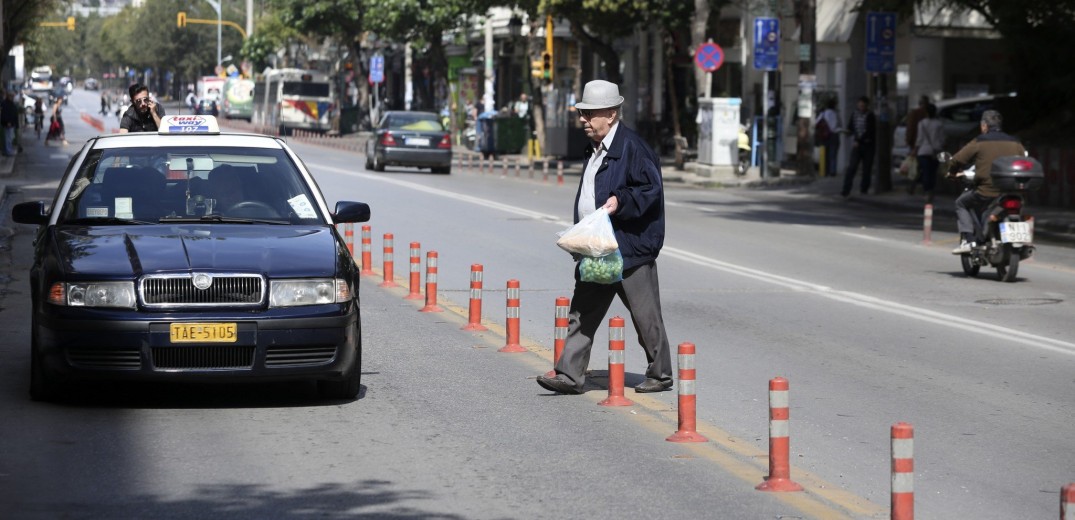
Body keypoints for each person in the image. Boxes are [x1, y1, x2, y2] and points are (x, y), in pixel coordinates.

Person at [535, 80, 674, 395]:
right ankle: (569, 375)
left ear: (610, 114)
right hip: (598, 249)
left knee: (645, 316)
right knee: (582, 313)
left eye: (590, 113)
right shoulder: (595, 148)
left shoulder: (633, 148)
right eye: (582, 113)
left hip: (629, 250)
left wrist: (620, 201)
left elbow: (649, 192)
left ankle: (661, 373)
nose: (583, 120)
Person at [946, 109, 1025, 254]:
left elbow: (957, 159)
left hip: (986, 191)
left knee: (961, 203)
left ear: (984, 126)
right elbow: (1024, 159)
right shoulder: (1015, 142)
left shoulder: (979, 141)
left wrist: (951, 173)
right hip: (1011, 191)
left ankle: (969, 241)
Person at [842, 96, 876, 197]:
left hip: (867, 145)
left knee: (867, 168)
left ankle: (864, 189)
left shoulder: (870, 115)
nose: (861, 107)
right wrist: (847, 132)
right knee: (852, 167)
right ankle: (846, 189)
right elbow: (851, 127)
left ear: (866, 106)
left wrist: (858, 140)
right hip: (857, 145)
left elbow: (870, 131)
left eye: (863, 106)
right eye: (860, 105)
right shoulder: (854, 114)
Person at [912, 103, 944, 200]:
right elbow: (942, 139)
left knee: (925, 172)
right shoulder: (939, 124)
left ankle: (927, 192)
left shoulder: (921, 123)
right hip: (936, 151)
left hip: (923, 151)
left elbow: (919, 139)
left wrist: (915, 150)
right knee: (932, 173)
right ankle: (931, 191)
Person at [814, 98, 841, 177]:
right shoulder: (836, 114)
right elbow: (840, 125)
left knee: (825, 154)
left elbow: (816, 123)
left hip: (825, 136)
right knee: (833, 154)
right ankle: (833, 171)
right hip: (834, 135)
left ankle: (825, 171)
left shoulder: (823, 113)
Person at [1, 91, 18, 156]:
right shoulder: (6, 104)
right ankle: (8, 151)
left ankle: (9, 150)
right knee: (8, 138)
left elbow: (14, 113)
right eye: (11, 96)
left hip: (11, 123)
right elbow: (5, 114)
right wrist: (7, 122)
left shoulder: (11, 103)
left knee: (10, 137)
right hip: (8, 123)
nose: (12, 97)